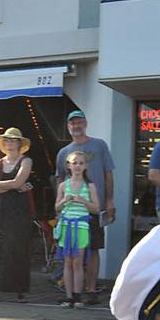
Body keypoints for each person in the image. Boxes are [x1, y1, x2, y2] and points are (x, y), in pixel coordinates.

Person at [56, 111, 115, 303]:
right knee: (71, 256)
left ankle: (91, 289)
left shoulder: (99, 145)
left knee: (94, 247)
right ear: (68, 126)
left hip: (92, 208)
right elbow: (59, 179)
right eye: (73, 123)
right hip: (69, 213)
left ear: (86, 123)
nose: (76, 126)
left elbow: (108, 173)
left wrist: (110, 200)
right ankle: (72, 292)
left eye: (80, 122)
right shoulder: (64, 152)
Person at [0, 130, 33, 304]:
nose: (10, 143)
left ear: (20, 144)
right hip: (1, 209)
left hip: (19, 210)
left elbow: (17, 182)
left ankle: (20, 290)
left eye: (13, 140)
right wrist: (12, 186)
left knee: (18, 247)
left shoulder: (26, 160)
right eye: (7, 140)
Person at [53, 150, 100, 309]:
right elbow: (57, 207)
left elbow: (96, 208)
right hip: (66, 225)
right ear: (68, 165)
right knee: (68, 262)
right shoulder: (63, 185)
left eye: (81, 163)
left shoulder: (89, 186)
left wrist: (83, 201)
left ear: (85, 166)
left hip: (81, 226)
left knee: (78, 262)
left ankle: (78, 296)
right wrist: (65, 200)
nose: (78, 166)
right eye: (74, 163)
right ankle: (69, 296)